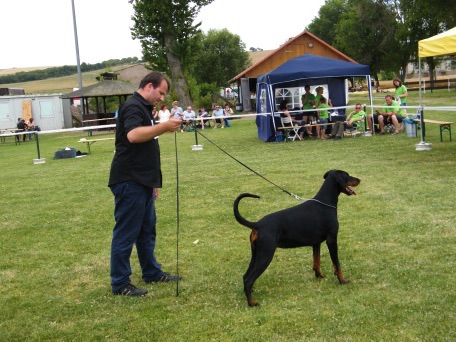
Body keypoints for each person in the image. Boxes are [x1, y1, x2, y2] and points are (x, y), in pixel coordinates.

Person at [108, 71, 182, 297]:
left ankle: (151, 271)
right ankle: (120, 283)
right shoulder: (132, 106)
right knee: (126, 233)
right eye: (161, 92)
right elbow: (133, 135)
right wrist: (165, 126)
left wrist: (153, 183)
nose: (162, 98)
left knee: (146, 231)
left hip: (143, 181)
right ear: (149, 86)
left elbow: (146, 146)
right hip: (129, 180)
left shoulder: (143, 108)